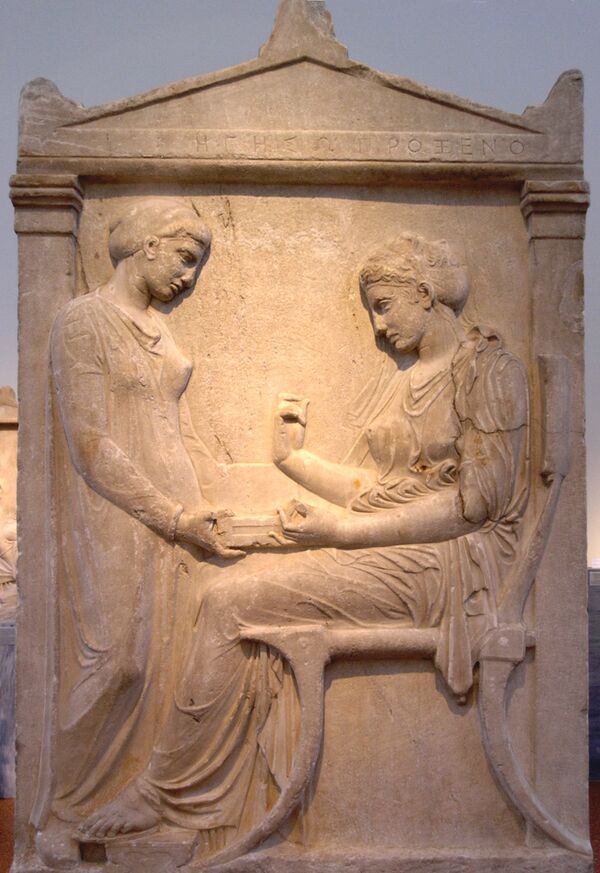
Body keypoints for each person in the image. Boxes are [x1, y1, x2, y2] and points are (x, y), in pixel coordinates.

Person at [79, 232, 529, 847]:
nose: (377, 326)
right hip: (400, 550)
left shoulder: (490, 369)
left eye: (384, 307)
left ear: (425, 295)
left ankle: (170, 793)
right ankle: (201, 790)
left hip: (449, 569)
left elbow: (478, 504)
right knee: (240, 580)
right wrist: (294, 460)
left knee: (229, 601)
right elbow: (382, 490)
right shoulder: (409, 377)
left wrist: (342, 532)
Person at [35, 199, 240, 836]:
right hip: (118, 516)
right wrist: (173, 516)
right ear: (147, 245)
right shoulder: (84, 321)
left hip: (180, 520)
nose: (189, 277)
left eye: (197, 265)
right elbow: (91, 444)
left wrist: (216, 497)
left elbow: (175, 430)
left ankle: (143, 803)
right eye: (185, 258)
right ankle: (64, 811)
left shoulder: (161, 330)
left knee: (169, 665)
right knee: (118, 664)